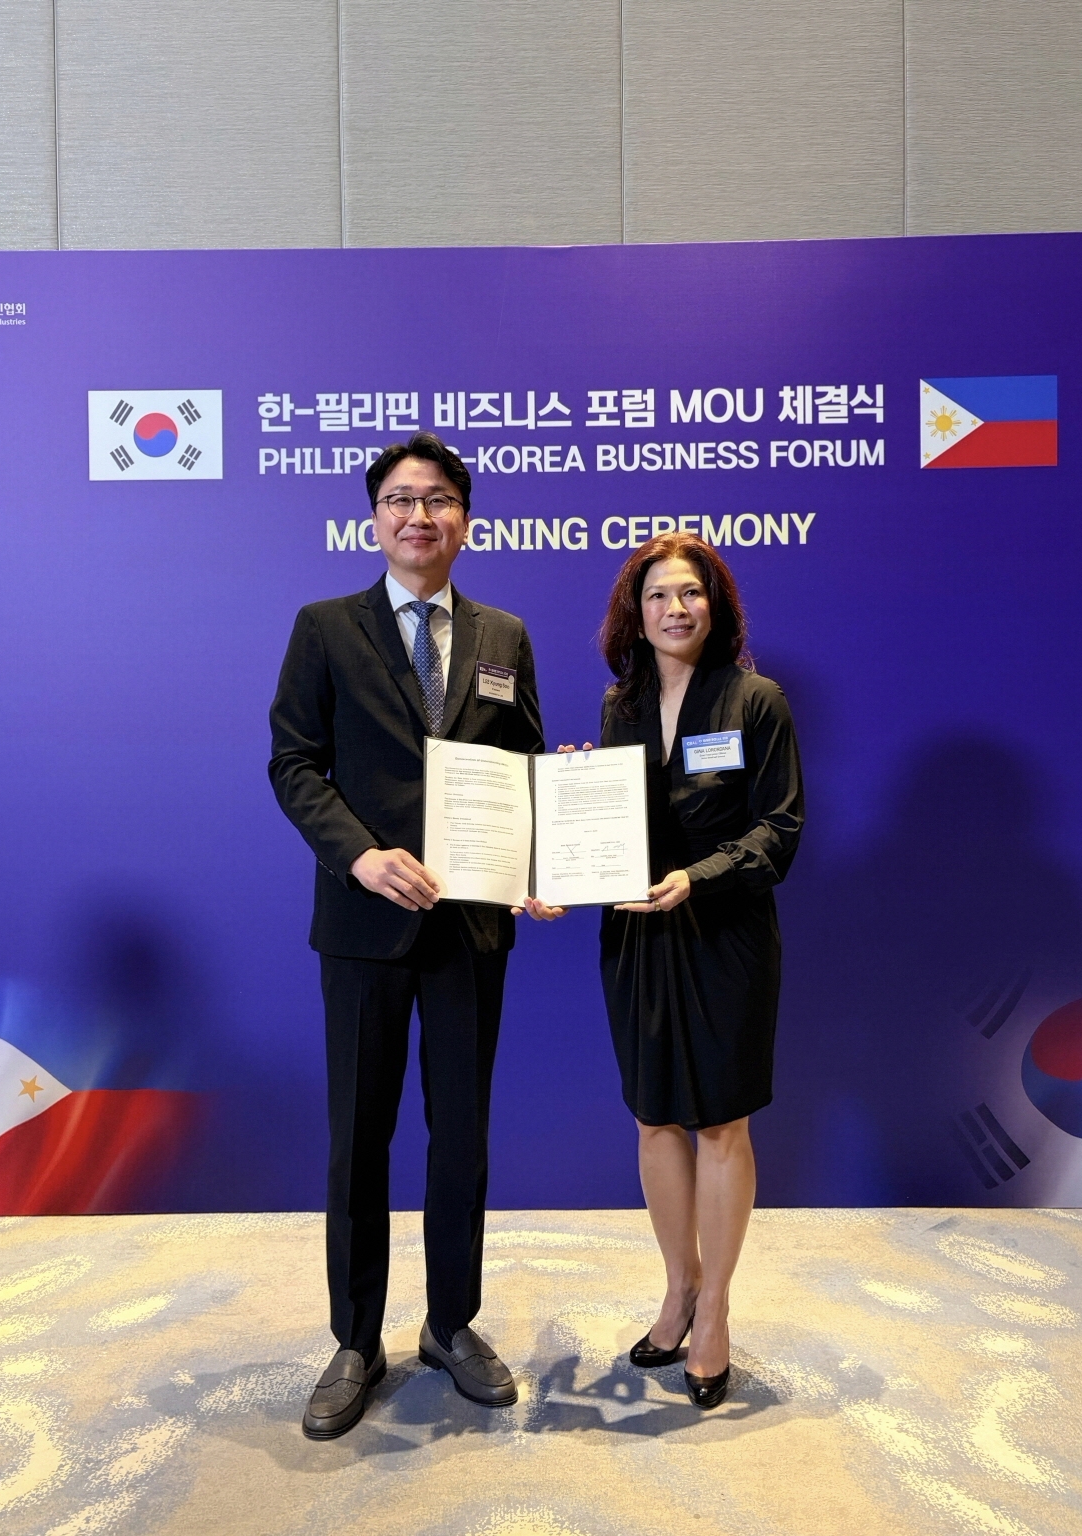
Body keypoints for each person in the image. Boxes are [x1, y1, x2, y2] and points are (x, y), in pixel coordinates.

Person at [268, 432, 558, 1439]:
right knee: (358, 1138)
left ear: (464, 520)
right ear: (374, 520)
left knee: (461, 1136)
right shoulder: (324, 628)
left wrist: (541, 864)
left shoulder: (502, 635)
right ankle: (355, 1339)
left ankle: (449, 1324)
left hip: (471, 926)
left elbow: (523, 767)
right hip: (363, 925)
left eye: (437, 499)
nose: (418, 516)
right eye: (399, 499)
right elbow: (293, 763)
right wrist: (358, 855)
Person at [571, 532, 803, 1410]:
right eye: (658, 595)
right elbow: (613, 826)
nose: (675, 608)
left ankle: (716, 1314)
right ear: (634, 614)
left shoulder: (755, 700)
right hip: (637, 935)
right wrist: (570, 821)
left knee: (719, 1123)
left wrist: (697, 877)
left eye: (691, 593)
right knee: (654, 1117)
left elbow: (778, 830)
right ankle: (678, 1288)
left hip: (724, 932)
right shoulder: (619, 706)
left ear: (717, 607)